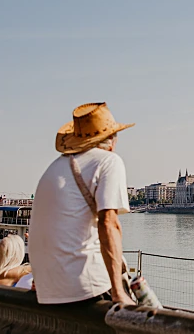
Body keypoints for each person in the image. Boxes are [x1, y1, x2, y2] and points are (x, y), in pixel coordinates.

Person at [29, 102, 135, 305]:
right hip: (85, 287)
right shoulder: (108, 161)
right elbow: (109, 224)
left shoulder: (54, 168)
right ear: (111, 140)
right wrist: (118, 291)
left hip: (47, 291)